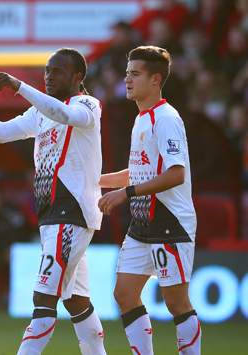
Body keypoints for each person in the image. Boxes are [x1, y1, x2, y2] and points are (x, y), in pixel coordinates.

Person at [0, 48, 106, 355]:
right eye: (47, 71)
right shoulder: (40, 113)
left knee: (43, 298)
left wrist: (20, 86)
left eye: (58, 71)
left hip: (71, 212)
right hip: (52, 214)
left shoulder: (86, 104)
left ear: (78, 77)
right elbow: (1, 133)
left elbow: (65, 115)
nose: (50, 76)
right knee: (76, 301)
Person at [99, 45, 200, 355]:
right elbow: (140, 171)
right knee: (124, 294)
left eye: (135, 74)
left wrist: (124, 194)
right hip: (143, 222)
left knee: (176, 301)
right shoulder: (142, 118)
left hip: (170, 221)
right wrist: (94, 182)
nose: (127, 80)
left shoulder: (166, 118)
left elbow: (175, 174)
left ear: (156, 79)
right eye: (127, 73)